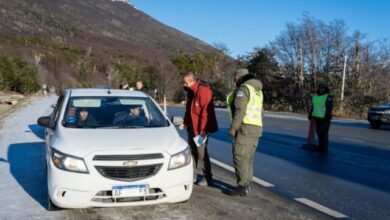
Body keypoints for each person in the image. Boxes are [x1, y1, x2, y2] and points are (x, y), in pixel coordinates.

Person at [226, 69, 263, 196]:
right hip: (256, 127)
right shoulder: (257, 90)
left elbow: (240, 110)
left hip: (245, 127)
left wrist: (233, 127)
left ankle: (242, 186)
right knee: (248, 158)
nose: (234, 81)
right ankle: (246, 184)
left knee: (240, 156)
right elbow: (261, 111)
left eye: (235, 79)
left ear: (239, 77)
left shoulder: (244, 89)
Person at [179, 72, 218, 186]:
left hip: (201, 129)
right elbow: (189, 110)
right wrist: (185, 122)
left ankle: (207, 177)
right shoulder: (191, 92)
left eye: (186, 82)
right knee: (192, 152)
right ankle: (193, 175)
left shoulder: (203, 91)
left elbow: (206, 113)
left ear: (192, 81)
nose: (184, 84)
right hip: (192, 127)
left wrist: (204, 131)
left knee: (202, 153)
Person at [308, 83, 333, 152]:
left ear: (325, 89)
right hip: (317, 118)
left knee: (324, 134)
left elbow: (329, 108)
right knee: (319, 132)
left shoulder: (328, 96)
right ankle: (320, 146)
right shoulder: (315, 97)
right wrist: (310, 114)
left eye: (322, 88)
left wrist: (327, 116)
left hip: (325, 119)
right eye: (320, 88)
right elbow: (313, 107)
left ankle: (324, 148)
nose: (321, 89)